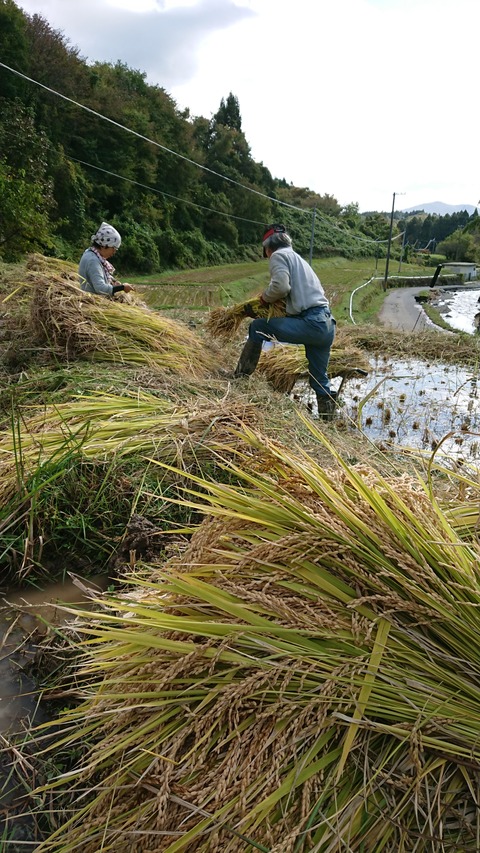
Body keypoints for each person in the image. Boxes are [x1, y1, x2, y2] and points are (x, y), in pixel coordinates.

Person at [233, 224, 337, 418]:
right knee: (319, 377)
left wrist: (263, 299)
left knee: (257, 327)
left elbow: (281, 287)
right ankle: (329, 420)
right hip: (327, 325)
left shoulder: (278, 256)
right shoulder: (299, 259)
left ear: (268, 247)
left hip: (311, 322)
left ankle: (240, 377)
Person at [78, 222, 133, 297]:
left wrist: (114, 283)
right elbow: (100, 288)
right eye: (113, 248)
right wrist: (122, 287)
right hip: (94, 302)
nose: (114, 252)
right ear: (104, 245)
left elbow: (99, 277)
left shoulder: (92, 254)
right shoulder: (92, 260)